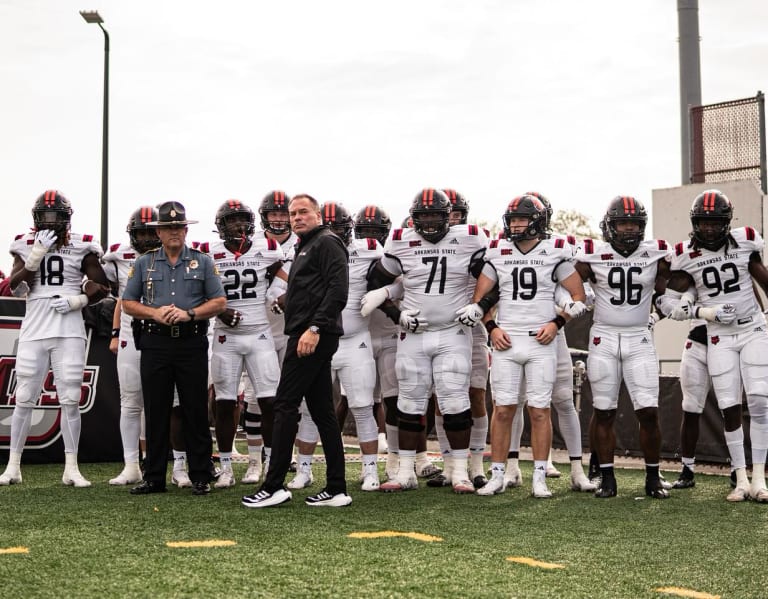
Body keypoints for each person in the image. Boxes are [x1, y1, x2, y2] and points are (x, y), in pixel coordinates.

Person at [461, 194, 586, 498]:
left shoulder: (555, 251)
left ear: (538, 222)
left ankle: (540, 476)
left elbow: (578, 296)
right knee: (502, 409)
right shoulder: (499, 251)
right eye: (512, 219)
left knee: (540, 410)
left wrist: (557, 323)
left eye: (522, 219)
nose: (516, 225)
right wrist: (491, 328)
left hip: (540, 340)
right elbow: (480, 299)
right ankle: (498, 474)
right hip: (506, 341)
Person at [367, 188, 488, 494]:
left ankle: (459, 472)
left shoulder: (470, 238)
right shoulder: (401, 241)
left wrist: (481, 307)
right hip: (414, 332)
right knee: (409, 400)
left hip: (453, 330)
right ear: (414, 218)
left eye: (436, 215)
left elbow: (492, 277)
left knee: (455, 400)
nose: (431, 222)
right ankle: (406, 471)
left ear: (449, 217)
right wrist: (397, 315)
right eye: (425, 216)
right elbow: (375, 281)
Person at [241, 193, 351, 508]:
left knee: (285, 404)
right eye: (292, 213)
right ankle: (336, 488)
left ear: (318, 214)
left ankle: (274, 485)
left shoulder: (327, 242)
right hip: (306, 332)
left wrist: (314, 328)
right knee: (322, 412)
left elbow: (337, 289)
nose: (296, 217)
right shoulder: (306, 244)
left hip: (312, 335)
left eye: (303, 212)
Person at [662, 189, 768, 502]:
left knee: (761, 400)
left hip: (752, 329)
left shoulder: (746, 240)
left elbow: (760, 278)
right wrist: (696, 310)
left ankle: (760, 477)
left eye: (715, 222)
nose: (709, 228)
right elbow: (666, 297)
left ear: (727, 222)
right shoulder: (685, 253)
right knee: (729, 406)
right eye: (703, 222)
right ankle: (740, 478)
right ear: (694, 223)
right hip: (717, 334)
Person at [0, 190, 109, 487]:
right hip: (35, 326)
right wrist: (34, 257)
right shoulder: (23, 243)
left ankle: (71, 467)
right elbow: (14, 287)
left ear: (66, 219)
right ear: (36, 218)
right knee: (23, 398)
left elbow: (102, 285)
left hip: (68, 327)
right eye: (45, 217)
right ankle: (13, 466)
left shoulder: (82, 244)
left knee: (70, 399)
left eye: (55, 216)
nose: (50, 222)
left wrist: (78, 301)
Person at [122, 201, 226, 496]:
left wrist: (190, 313)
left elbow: (219, 302)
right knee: (156, 410)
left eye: (179, 226)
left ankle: (201, 474)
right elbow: (127, 303)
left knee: (195, 408)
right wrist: (154, 313)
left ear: (185, 229)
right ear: (158, 231)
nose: (174, 232)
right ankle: (153, 476)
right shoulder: (143, 263)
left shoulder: (203, 261)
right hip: (155, 341)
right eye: (168, 227)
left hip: (191, 340)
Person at [573, 196, 671, 499]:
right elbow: (568, 281)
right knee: (603, 411)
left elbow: (669, 290)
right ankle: (607, 476)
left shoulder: (656, 253)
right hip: (603, 336)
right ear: (610, 225)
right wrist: (577, 299)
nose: (628, 230)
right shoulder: (592, 254)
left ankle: (653, 476)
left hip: (639, 337)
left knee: (649, 410)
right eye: (622, 223)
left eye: (634, 224)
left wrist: (662, 311)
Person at [207, 199, 286, 489]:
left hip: (260, 333)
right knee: (224, 402)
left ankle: (267, 462)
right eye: (232, 221)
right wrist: (219, 309)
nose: (238, 225)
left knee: (269, 400)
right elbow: (198, 288)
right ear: (221, 226)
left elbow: (283, 274)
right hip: (225, 336)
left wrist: (275, 293)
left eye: (242, 220)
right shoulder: (209, 253)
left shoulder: (267, 247)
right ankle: (226, 466)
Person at [102, 206, 161, 485]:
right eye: (142, 234)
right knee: (130, 402)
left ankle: (162, 463)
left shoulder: (173, 256)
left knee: (162, 402)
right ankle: (131, 465)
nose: (148, 240)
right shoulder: (117, 255)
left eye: (152, 233)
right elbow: (120, 300)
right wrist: (115, 333)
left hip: (162, 334)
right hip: (130, 333)